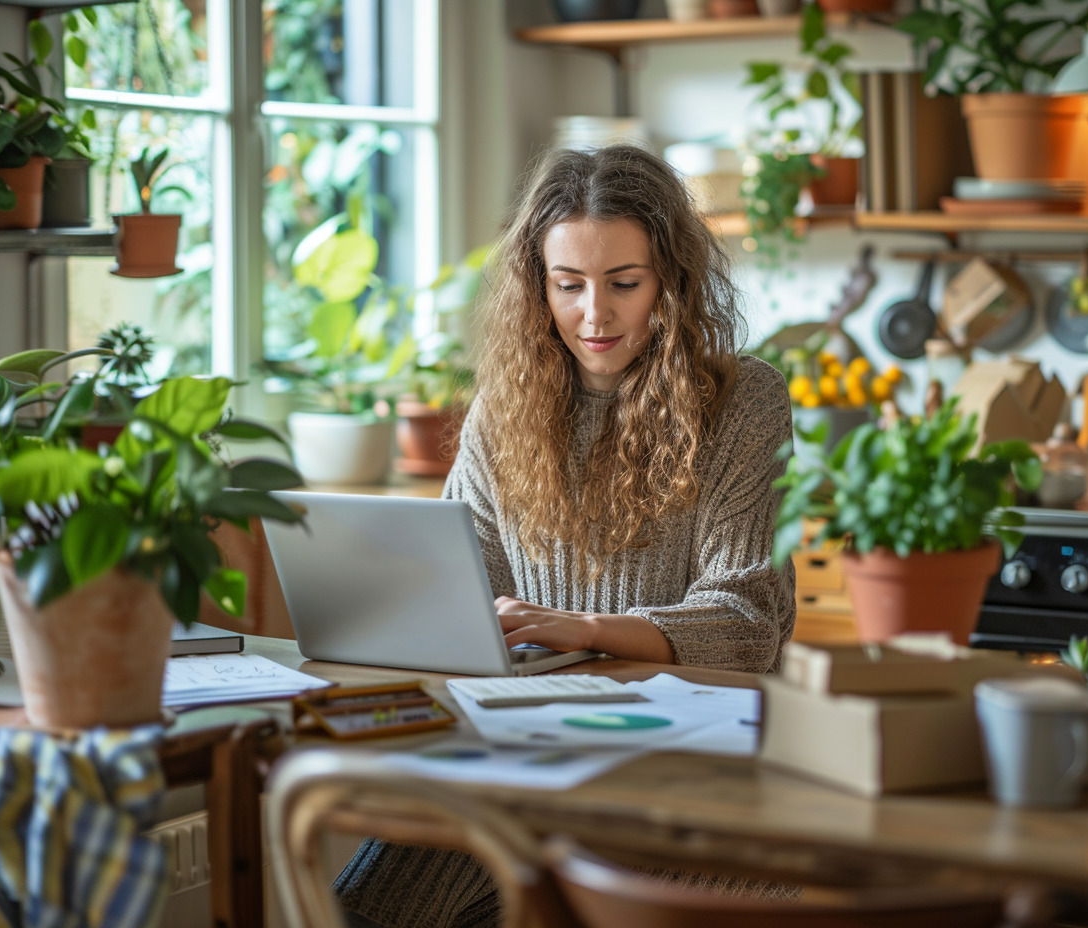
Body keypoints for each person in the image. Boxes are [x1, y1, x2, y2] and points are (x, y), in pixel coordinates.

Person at [333, 143, 797, 928]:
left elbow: (747, 624)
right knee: (359, 909)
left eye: (625, 283)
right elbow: (459, 586)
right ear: (536, 284)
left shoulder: (744, 400)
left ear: (671, 283)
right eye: (568, 284)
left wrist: (584, 630)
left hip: (680, 772)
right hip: (520, 757)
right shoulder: (501, 408)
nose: (595, 314)